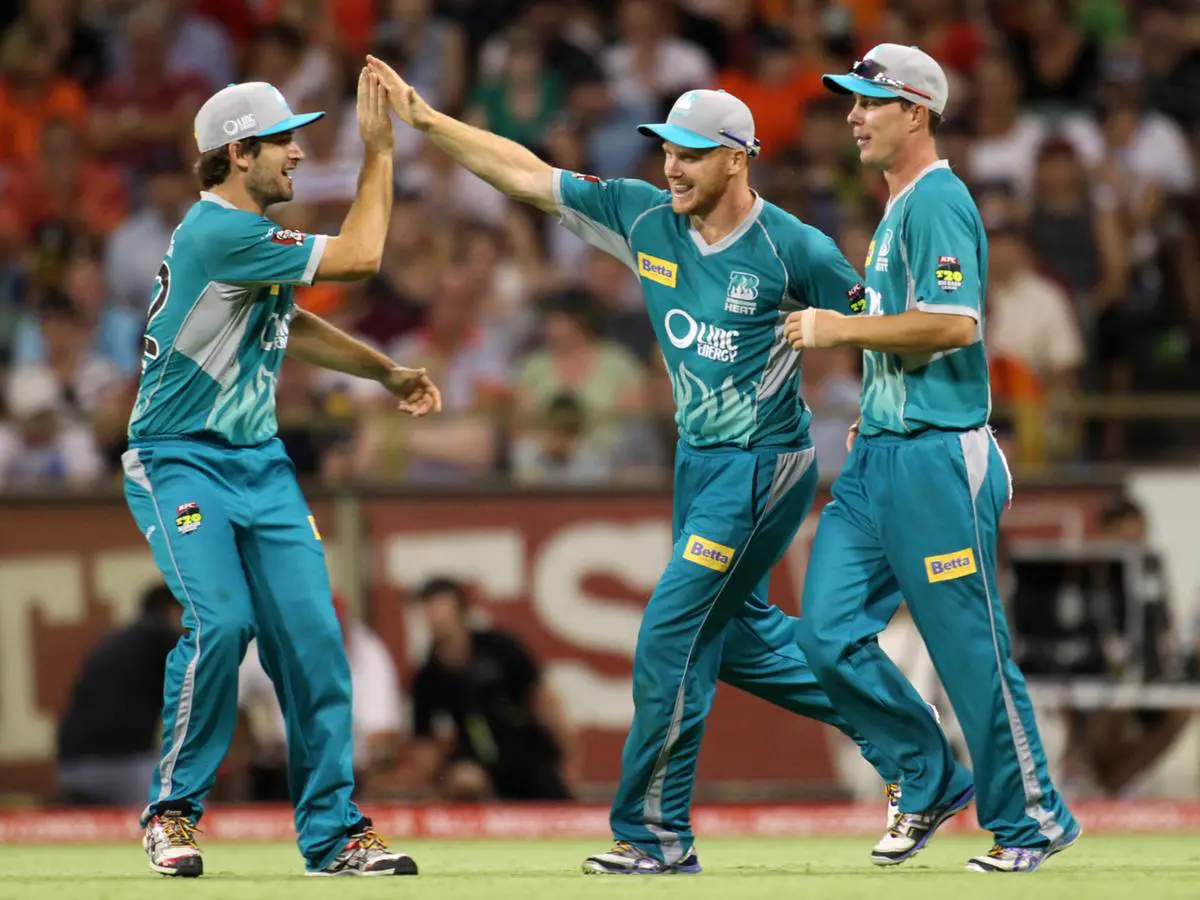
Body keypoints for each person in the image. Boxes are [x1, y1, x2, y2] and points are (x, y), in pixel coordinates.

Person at [366, 55, 908, 875]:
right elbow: (527, 175)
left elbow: (884, 325)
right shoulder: (643, 216)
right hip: (698, 463)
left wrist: (888, 415)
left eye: (691, 154)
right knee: (739, 640)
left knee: (668, 638)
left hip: (762, 464)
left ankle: (655, 837)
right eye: (667, 151)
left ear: (738, 159)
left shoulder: (795, 247)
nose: (672, 167)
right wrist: (428, 120)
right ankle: (915, 749)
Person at [121, 70, 441, 878]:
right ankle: (170, 813)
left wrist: (385, 372)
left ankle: (334, 836)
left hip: (259, 464)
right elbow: (362, 257)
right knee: (222, 624)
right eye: (283, 141)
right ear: (238, 153)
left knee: (315, 640)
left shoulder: (243, 242)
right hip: (179, 458)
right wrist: (378, 153)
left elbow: (289, 323)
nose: (297, 152)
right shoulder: (217, 232)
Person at [784, 44, 1081, 873]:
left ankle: (1032, 820)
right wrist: (875, 395)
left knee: (967, 651)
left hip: (939, 459)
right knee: (826, 635)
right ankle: (929, 776)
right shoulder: (899, 207)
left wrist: (839, 329)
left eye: (868, 102)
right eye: (851, 101)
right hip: (880, 457)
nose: (852, 116)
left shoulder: (939, 200)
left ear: (915, 111)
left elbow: (954, 323)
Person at [406, 577, 579, 801]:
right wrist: (431, 784)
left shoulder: (500, 649)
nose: (435, 617)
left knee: (554, 801)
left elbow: (542, 697)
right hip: (477, 760)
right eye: (428, 609)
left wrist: (569, 753)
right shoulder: (427, 677)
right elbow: (424, 741)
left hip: (527, 751)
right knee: (465, 781)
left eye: (440, 608)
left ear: (461, 612)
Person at [57, 584, 183, 806]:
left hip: (72, 765)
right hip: (121, 764)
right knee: (186, 810)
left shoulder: (118, 638)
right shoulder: (160, 634)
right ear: (172, 610)